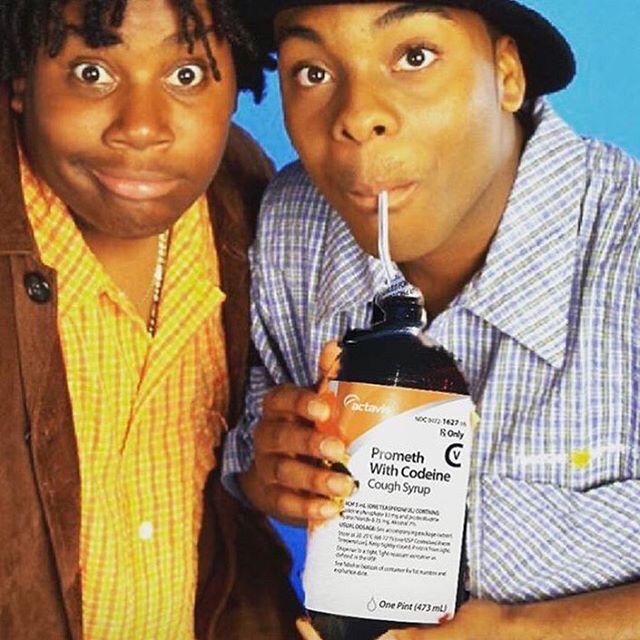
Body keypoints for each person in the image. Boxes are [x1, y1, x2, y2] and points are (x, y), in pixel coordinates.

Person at [223, 0, 640, 638]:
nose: (357, 116)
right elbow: (247, 446)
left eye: (415, 56)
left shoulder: (626, 253)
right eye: (312, 72)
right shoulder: (291, 230)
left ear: (507, 74)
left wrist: (526, 631)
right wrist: (273, 471)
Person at [0, 0, 303, 638]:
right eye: (92, 73)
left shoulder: (252, 205)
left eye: (186, 75)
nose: (141, 128)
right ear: (21, 79)